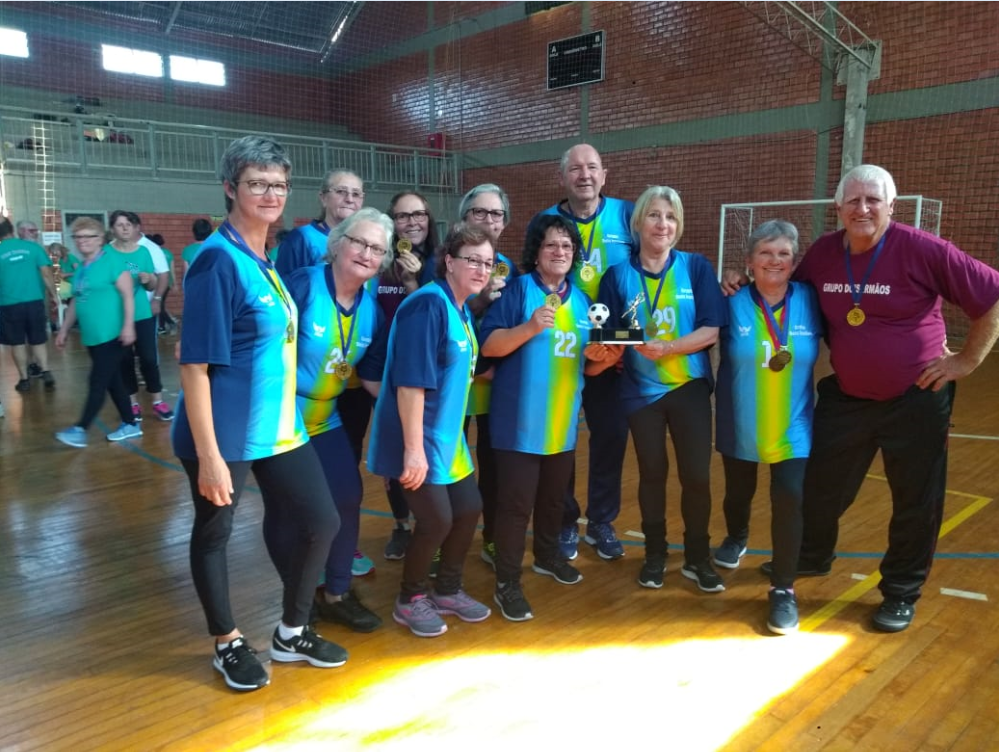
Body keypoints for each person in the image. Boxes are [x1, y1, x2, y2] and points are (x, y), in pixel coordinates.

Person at [728, 164, 999, 632]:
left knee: (916, 500)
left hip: (916, 398)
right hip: (848, 398)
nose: (863, 208)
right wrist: (739, 279)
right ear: (838, 208)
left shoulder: (924, 249)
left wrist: (967, 362)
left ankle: (899, 592)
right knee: (817, 486)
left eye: (873, 200)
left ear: (891, 206)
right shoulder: (824, 255)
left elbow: (991, 297)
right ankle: (811, 555)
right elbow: (783, 282)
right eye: (853, 201)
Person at [173, 135, 346, 692]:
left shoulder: (264, 258)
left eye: (278, 184)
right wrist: (209, 458)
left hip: (280, 429)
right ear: (230, 188)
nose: (271, 193)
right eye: (257, 183)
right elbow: (194, 367)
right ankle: (226, 642)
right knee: (215, 533)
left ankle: (291, 631)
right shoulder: (216, 263)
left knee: (323, 521)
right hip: (223, 436)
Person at [482, 214, 622, 621]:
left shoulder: (581, 303)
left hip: (562, 425)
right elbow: (489, 345)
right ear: (536, 253)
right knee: (515, 507)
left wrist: (605, 359)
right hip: (517, 425)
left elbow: (586, 367)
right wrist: (528, 327)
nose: (560, 252)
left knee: (553, 501)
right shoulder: (517, 291)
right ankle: (507, 582)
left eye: (566, 246)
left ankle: (546, 556)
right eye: (551, 245)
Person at [367, 222, 494, 638]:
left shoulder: (460, 308)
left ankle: (448, 589)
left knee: (468, 509)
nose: (481, 269)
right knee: (437, 520)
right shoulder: (427, 305)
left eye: (488, 262)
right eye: (472, 260)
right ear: (449, 262)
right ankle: (411, 597)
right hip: (416, 436)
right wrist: (413, 450)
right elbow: (410, 383)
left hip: (446, 438)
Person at [599, 185, 728, 593]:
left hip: (688, 387)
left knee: (697, 476)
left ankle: (696, 557)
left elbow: (710, 330)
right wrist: (637, 339)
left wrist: (670, 347)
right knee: (652, 474)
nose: (662, 224)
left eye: (670, 217)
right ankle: (655, 554)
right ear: (638, 223)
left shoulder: (696, 267)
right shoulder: (617, 276)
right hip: (640, 391)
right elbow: (607, 330)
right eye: (654, 215)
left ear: (679, 226)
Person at [283, 207, 394, 634]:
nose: (366, 253)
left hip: (325, 417)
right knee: (296, 511)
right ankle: (298, 597)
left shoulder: (372, 312)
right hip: (285, 416)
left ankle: (338, 593)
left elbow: (369, 379)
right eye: (359, 242)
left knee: (347, 496)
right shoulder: (304, 285)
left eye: (376, 249)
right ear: (338, 244)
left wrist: (415, 413)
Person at [525, 144, 636, 562]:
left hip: (611, 349)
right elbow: (529, 275)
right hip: (562, 348)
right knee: (563, 439)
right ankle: (567, 521)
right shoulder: (544, 222)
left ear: (604, 175)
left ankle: (602, 521)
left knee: (610, 436)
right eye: (575, 169)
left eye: (592, 168)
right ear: (562, 178)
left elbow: (648, 270)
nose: (584, 175)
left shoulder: (627, 216)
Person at [714, 220, 822, 633]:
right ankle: (737, 535)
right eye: (765, 253)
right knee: (738, 493)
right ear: (749, 262)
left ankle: (783, 588)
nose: (774, 261)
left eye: (783, 255)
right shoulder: (730, 299)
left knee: (790, 498)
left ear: (794, 263)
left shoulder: (811, 300)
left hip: (794, 425)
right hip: (740, 420)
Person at [376, 191, 442, 561]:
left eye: (419, 214)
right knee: (391, 458)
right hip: (381, 374)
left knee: (421, 455)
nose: (412, 222)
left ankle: (428, 526)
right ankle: (401, 525)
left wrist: (414, 284)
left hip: (422, 378)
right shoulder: (381, 259)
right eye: (402, 216)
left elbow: (435, 316)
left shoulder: (438, 263)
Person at [457, 183, 519, 568]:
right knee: (446, 467)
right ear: (465, 217)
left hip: (495, 385)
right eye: (480, 212)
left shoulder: (510, 268)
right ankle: (440, 543)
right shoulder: (447, 261)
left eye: (496, 214)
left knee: (495, 469)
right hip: (454, 388)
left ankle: (493, 539)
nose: (489, 220)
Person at [53, 217, 141, 447]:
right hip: (92, 337)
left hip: (111, 335)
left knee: (97, 381)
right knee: (113, 382)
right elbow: (76, 301)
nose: (82, 241)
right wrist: (63, 329)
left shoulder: (113, 261)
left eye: (88, 236)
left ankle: (80, 429)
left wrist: (129, 325)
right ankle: (130, 424)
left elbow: (128, 293)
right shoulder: (82, 267)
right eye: (78, 237)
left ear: (100, 239)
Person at [107, 211, 174, 422]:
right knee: (125, 359)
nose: (125, 228)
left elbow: (153, 283)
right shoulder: (106, 254)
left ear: (134, 227)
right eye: (120, 225)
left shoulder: (144, 252)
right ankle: (132, 403)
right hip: (117, 315)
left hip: (142, 313)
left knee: (148, 358)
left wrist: (149, 280)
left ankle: (157, 401)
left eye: (128, 224)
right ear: (113, 229)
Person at [0, 218, 57, 392]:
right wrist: (55, 296)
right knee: (38, 339)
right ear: (12, 229)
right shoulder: (33, 248)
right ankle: (46, 371)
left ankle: (24, 379)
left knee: (17, 343)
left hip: (8, 304)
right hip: (34, 302)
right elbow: (47, 274)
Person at [275, 169, 364, 277]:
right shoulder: (301, 239)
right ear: (323, 198)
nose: (350, 199)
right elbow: (282, 288)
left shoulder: (368, 243)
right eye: (341, 191)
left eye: (356, 194)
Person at [147, 233, 177, 334]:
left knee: (159, 305)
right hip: (168, 282)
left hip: (159, 283)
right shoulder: (168, 252)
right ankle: (162, 326)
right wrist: (174, 283)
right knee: (161, 304)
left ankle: (170, 323)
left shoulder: (152, 252)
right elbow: (171, 270)